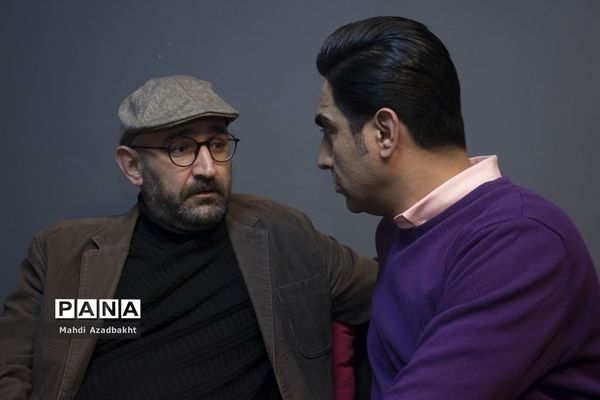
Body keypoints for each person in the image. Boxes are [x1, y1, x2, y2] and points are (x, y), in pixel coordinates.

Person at [0, 75, 376, 400]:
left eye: (217, 144)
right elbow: (10, 363)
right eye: (181, 148)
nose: (207, 168)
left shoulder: (281, 232)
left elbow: (391, 287)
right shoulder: (63, 252)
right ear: (133, 166)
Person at [314, 16, 600, 399]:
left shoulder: (521, 239)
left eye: (330, 132)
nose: (323, 158)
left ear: (384, 132)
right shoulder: (399, 229)